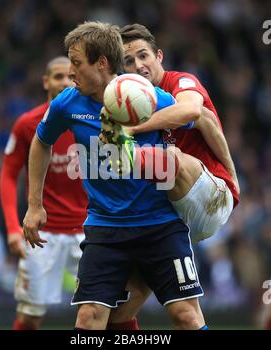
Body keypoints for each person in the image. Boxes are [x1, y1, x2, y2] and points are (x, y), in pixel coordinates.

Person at [22, 21, 208, 330]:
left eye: (77, 63)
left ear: (102, 63)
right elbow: (41, 141)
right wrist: (34, 205)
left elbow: (192, 118)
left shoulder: (146, 96)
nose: (71, 72)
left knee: (186, 317)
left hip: (160, 226)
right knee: (88, 319)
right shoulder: (67, 103)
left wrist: (221, 173)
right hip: (105, 230)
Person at [101, 23, 241, 328]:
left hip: (209, 195)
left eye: (143, 56)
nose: (138, 65)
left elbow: (193, 113)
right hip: (168, 218)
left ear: (159, 56)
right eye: (129, 60)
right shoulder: (124, 101)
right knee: (118, 315)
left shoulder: (181, 82)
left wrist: (131, 130)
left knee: (169, 158)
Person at [0, 56, 88, 330]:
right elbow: (8, 175)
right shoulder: (27, 124)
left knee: (104, 310)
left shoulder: (92, 118)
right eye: (58, 76)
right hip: (41, 235)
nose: (64, 82)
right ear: (45, 81)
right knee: (29, 316)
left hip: (89, 231)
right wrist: (13, 227)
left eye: (70, 77)